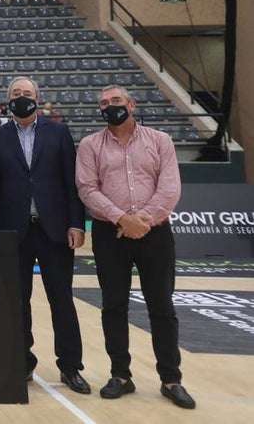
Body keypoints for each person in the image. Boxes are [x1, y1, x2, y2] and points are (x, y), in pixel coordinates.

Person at [76, 86, 194, 409]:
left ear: (131, 104)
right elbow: (87, 188)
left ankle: (171, 378)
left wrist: (143, 220)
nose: (109, 106)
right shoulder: (89, 145)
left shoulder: (160, 141)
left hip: (154, 233)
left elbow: (170, 188)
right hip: (109, 233)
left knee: (162, 307)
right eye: (103, 103)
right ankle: (120, 375)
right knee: (113, 306)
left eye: (116, 101)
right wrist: (121, 219)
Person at [0, 78, 88, 393]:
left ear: (38, 99)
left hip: (54, 229)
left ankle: (70, 367)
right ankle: (22, 363)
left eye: (27, 94)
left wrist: (77, 224)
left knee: (62, 300)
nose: (22, 98)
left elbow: (72, 183)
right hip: (15, 232)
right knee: (17, 301)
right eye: (16, 94)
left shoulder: (58, 132)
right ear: (7, 100)